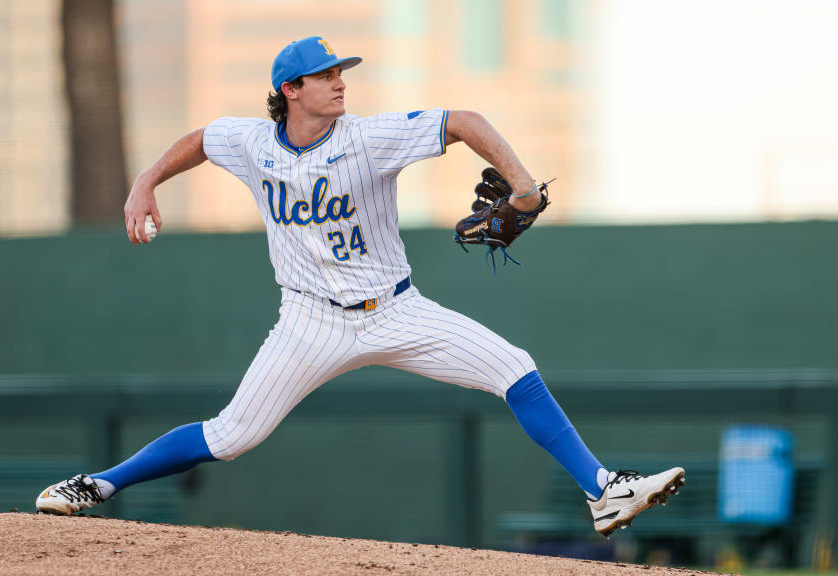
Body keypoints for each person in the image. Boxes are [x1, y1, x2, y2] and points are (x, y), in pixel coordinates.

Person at [36, 36, 684, 536]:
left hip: (396, 311)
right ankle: (98, 484)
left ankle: (603, 489)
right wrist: (144, 181)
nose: (340, 82)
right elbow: (202, 140)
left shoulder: (370, 138)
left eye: (341, 72)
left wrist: (521, 183)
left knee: (514, 367)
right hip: (308, 322)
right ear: (290, 89)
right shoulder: (254, 143)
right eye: (325, 75)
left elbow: (465, 120)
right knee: (232, 435)